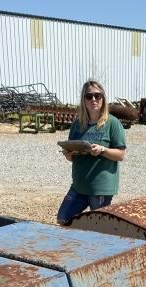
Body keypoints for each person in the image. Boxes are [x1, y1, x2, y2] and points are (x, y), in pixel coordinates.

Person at [57, 80, 126, 225]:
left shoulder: (112, 123)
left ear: (103, 98)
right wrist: (68, 155)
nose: (93, 99)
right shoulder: (77, 125)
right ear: (84, 100)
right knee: (63, 219)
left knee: (99, 228)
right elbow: (73, 157)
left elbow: (120, 154)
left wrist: (102, 150)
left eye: (97, 96)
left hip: (100, 188)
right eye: (89, 96)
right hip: (79, 185)